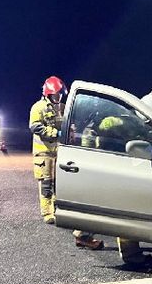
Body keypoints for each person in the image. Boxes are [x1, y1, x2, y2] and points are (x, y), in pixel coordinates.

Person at [29, 76, 103, 249]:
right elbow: (35, 127)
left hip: (59, 152)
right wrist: (54, 133)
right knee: (46, 183)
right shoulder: (38, 107)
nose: (58, 99)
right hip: (44, 151)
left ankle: (56, 208)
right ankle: (47, 212)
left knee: (58, 182)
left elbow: (69, 125)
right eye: (55, 96)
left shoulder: (62, 108)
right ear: (47, 94)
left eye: (60, 95)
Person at [80, 112, 152, 265]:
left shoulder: (101, 121)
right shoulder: (119, 121)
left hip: (106, 165)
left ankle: (82, 233)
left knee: (104, 205)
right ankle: (131, 255)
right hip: (117, 164)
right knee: (126, 210)